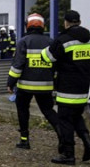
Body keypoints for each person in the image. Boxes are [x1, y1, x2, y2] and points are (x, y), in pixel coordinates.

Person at [41, 9, 90, 165]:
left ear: (66, 22)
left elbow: (48, 57)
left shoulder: (64, 40)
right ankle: (89, 144)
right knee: (77, 116)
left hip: (67, 87)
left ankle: (68, 154)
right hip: (84, 87)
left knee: (64, 119)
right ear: (78, 22)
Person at [6, 13, 59, 150]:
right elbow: (56, 65)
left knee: (23, 110)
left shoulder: (24, 41)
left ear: (27, 26)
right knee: (48, 111)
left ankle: (24, 140)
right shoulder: (51, 42)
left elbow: (17, 65)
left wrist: (10, 83)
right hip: (46, 86)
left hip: (25, 86)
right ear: (43, 26)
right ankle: (63, 138)